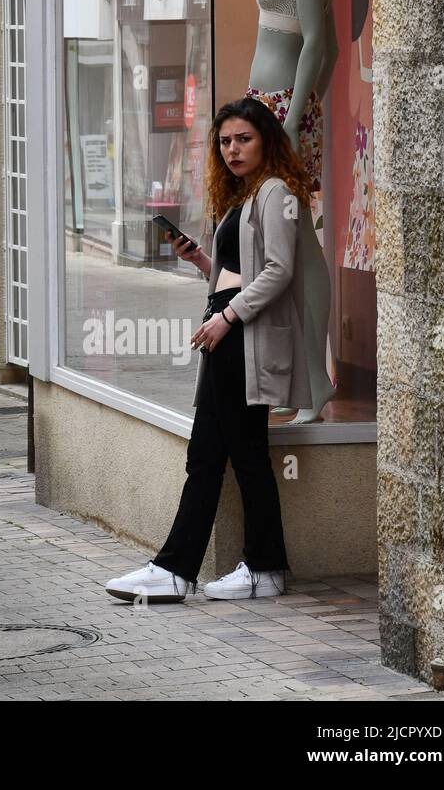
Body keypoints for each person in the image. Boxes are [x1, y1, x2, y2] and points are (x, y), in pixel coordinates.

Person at [104, 97, 313, 603]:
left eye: (243, 138)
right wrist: (201, 259)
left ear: (265, 139)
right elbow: (237, 272)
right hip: (226, 328)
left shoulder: (276, 192)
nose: (233, 149)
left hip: (241, 333)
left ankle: (243, 569)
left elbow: (279, 272)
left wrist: (226, 317)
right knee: (210, 455)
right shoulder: (243, 194)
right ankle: (182, 570)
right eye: (224, 141)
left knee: (245, 456)